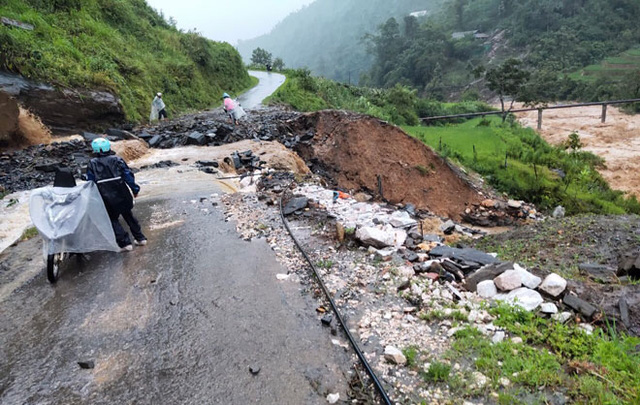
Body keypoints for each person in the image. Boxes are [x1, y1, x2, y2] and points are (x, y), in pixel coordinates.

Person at [87, 137, 147, 251]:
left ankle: (125, 244)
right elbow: (128, 176)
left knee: (113, 219)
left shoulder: (92, 163)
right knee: (128, 215)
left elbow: (90, 181)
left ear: (95, 150)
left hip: (105, 196)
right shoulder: (117, 159)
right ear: (108, 147)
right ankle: (140, 238)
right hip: (122, 193)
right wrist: (135, 190)